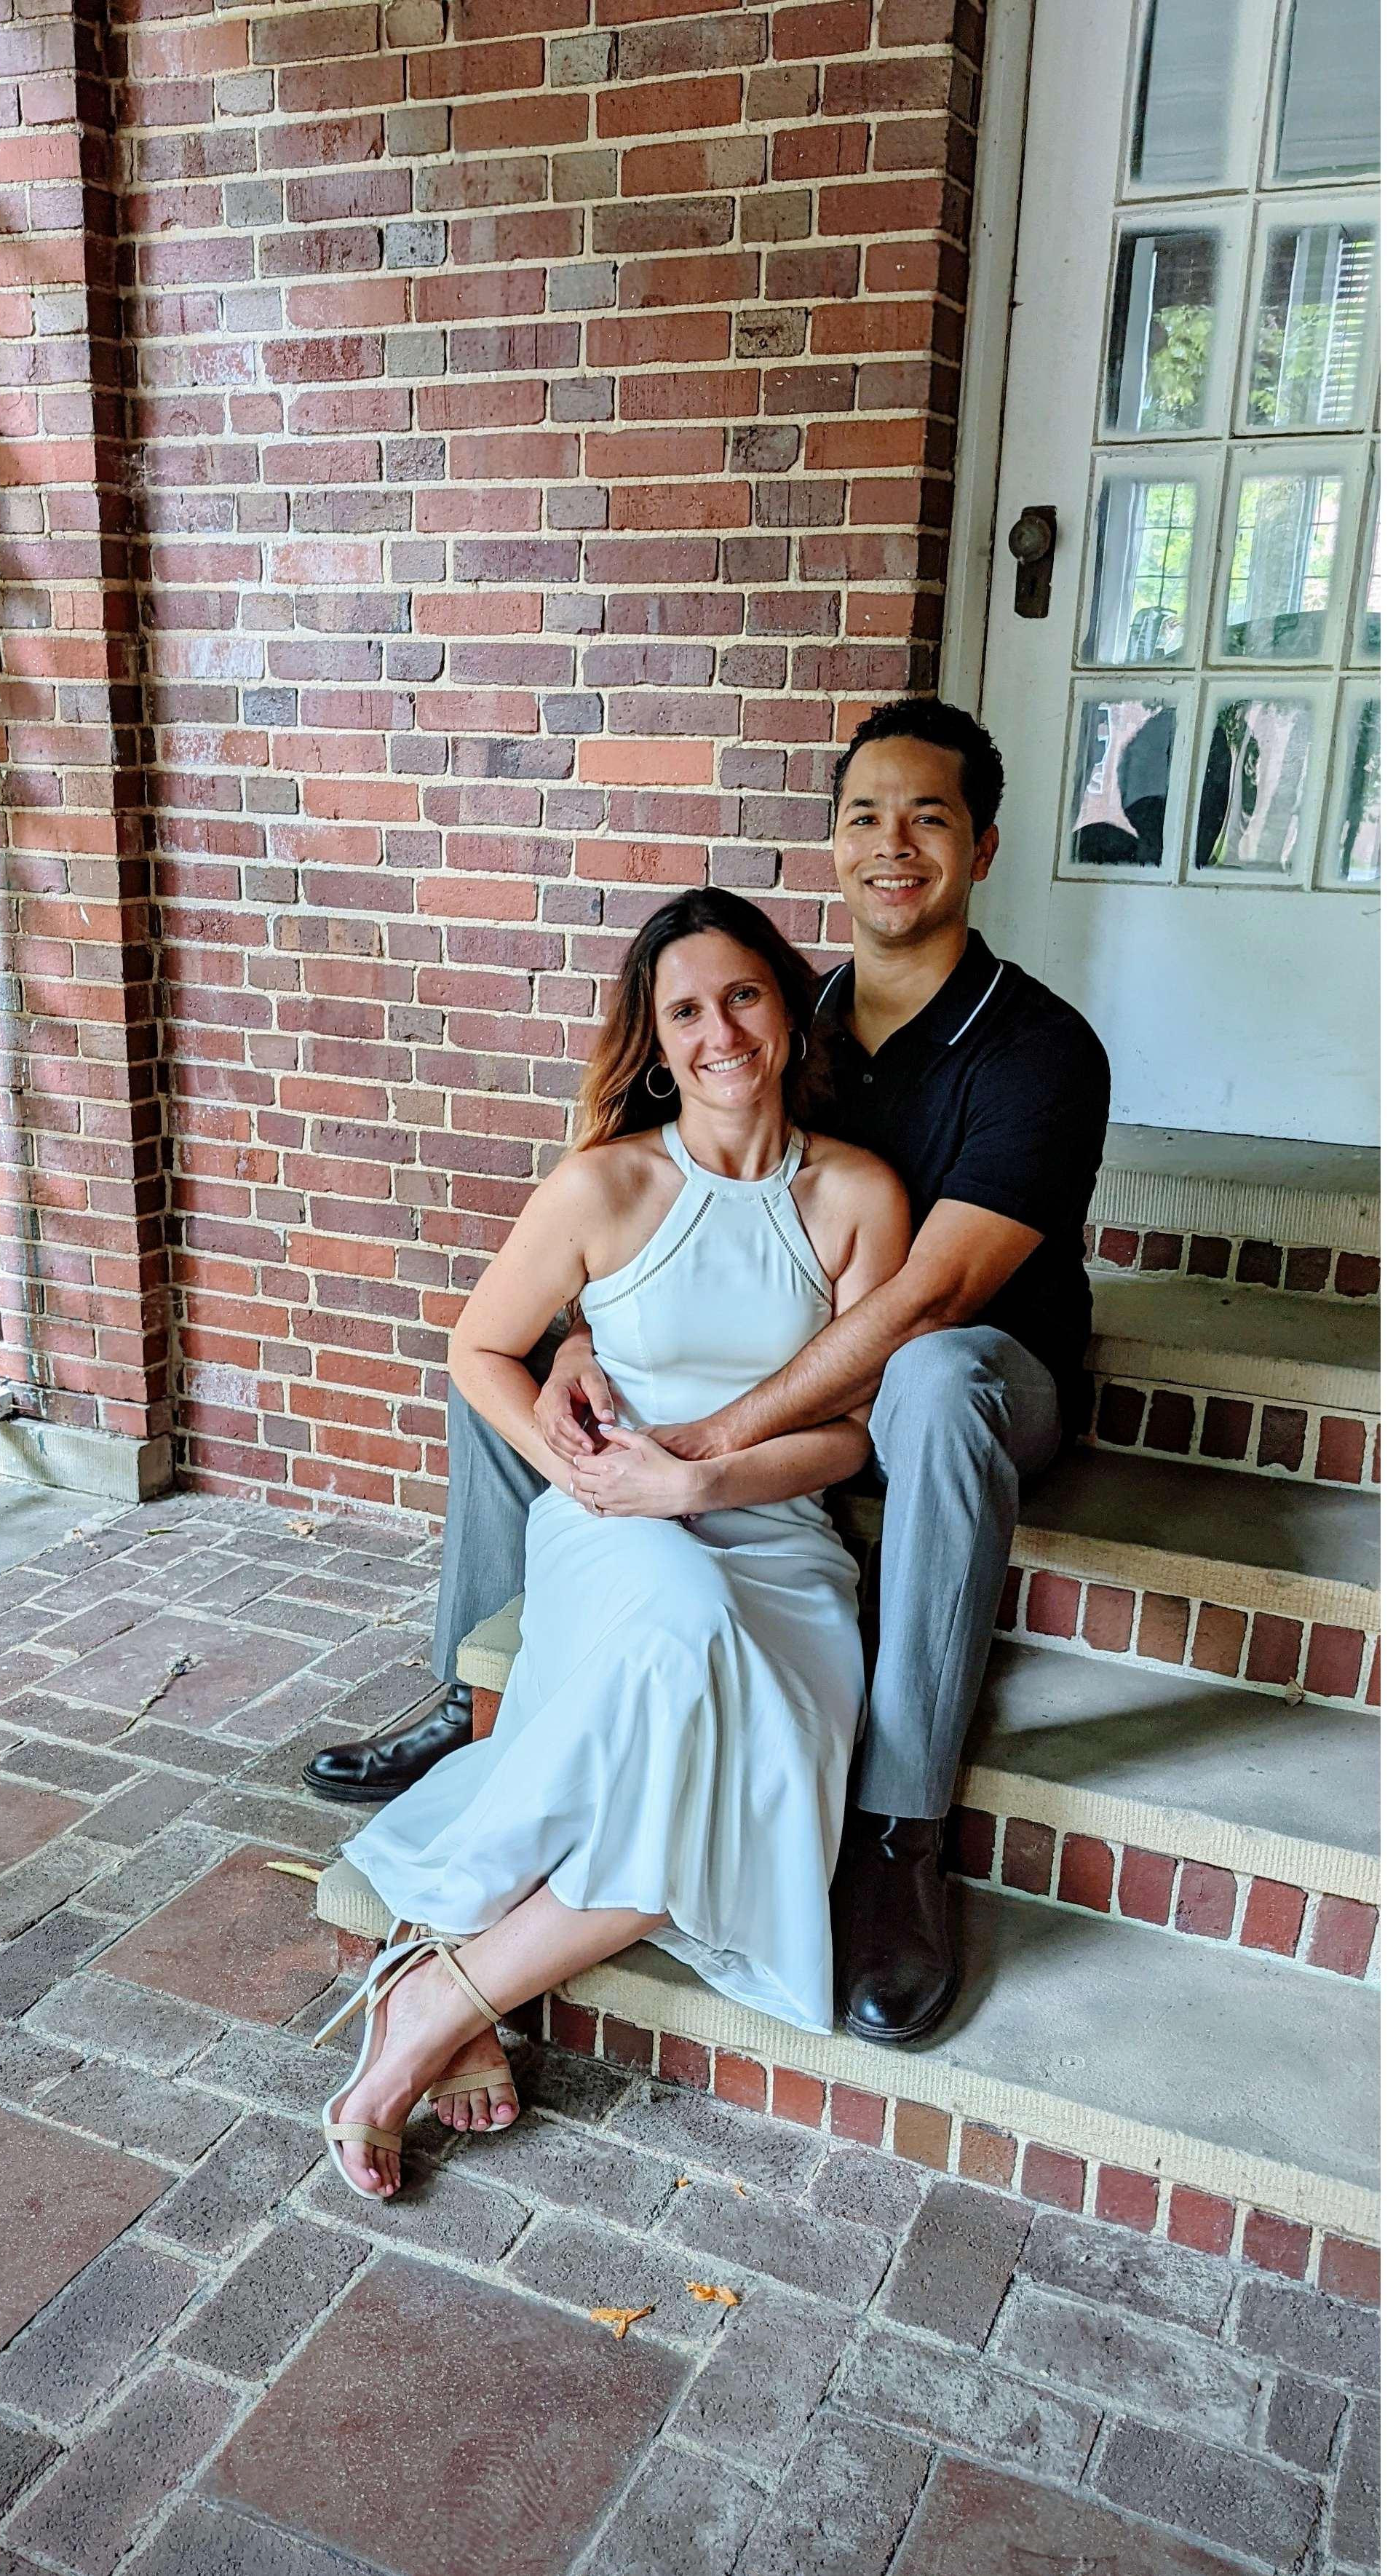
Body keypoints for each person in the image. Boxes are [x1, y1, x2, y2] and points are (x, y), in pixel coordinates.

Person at [306, 694, 1111, 2050]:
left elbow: (926, 1299)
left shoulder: (1039, 1049)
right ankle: (474, 1692)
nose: (893, 845)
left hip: (981, 1374)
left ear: (981, 844)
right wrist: (583, 1341)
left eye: (928, 818)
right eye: (865, 816)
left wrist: (700, 1449)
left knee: (929, 1377)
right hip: (768, 1412)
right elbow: (673, 1219)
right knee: (520, 1362)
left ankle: (901, 1830)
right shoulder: (804, 1008)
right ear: (833, 842)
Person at [317, 890, 908, 2197]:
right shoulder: (607, 1184)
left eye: (743, 997)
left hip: (779, 1538)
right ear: (654, 1038)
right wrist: (579, 1471)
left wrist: (705, 1482)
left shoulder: (858, 1194)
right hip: (610, 1531)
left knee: (753, 1757)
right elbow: (479, 1349)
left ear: (787, 1008)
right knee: (684, 1637)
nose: (720, 1034)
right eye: (685, 1011)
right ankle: (433, 2013)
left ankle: (441, 1988)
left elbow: (855, 1432)